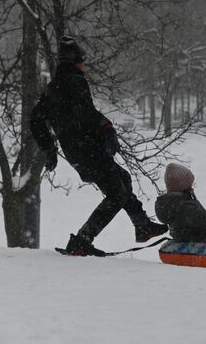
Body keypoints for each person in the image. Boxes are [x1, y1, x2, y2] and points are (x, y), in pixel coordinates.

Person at [30, 36, 167, 256]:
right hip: (89, 150)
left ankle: (142, 226)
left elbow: (35, 119)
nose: (84, 64)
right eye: (82, 60)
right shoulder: (75, 81)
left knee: (122, 179)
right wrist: (107, 128)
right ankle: (83, 239)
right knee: (117, 195)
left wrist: (49, 148)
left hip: (77, 152)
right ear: (75, 61)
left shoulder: (52, 88)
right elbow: (86, 115)